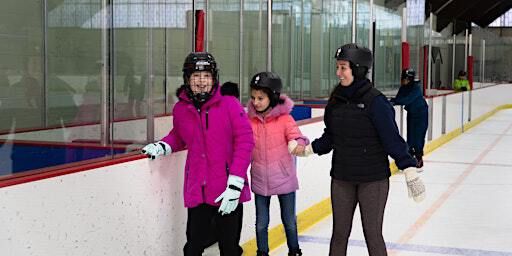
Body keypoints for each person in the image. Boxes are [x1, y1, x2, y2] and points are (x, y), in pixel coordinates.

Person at [304, 43, 423, 256]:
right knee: (339, 234)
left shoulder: (375, 102)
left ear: (357, 70)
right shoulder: (336, 101)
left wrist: (409, 167)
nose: (338, 73)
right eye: (338, 67)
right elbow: (331, 136)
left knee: (372, 234)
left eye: (343, 68)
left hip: (373, 180)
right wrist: (309, 149)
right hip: (342, 177)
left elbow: (391, 140)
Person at [142, 52, 255, 256]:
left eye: (206, 76)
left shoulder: (230, 105)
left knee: (229, 248)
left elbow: (245, 141)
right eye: (196, 76)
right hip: (198, 190)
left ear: (214, 78)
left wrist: (236, 182)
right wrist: (162, 146)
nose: (201, 82)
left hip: (227, 190)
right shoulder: (181, 109)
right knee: (193, 246)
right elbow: (178, 136)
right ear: (187, 79)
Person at [247, 71, 307, 256]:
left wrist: (298, 144)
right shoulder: (249, 121)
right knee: (261, 224)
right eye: (253, 98)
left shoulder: (285, 119)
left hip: (284, 179)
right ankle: (262, 252)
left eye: (260, 98)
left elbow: (299, 137)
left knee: (289, 221)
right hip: (259, 180)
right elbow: (241, 143)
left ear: (272, 97)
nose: (255, 102)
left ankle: (294, 250)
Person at [390, 68, 428, 168]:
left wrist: (395, 101)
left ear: (410, 79)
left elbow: (407, 100)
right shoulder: (403, 88)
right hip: (412, 113)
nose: (403, 81)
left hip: (421, 114)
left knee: (419, 136)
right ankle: (410, 157)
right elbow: (399, 98)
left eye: (405, 79)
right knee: (410, 136)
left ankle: (419, 158)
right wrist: (392, 101)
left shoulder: (416, 88)